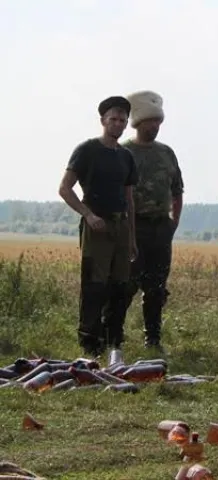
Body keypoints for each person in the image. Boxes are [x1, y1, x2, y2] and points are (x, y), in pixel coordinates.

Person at [58, 96, 139, 358]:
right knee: (94, 284)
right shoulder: (87, 150)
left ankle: (113, 338)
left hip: (121, 227)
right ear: (103, 120)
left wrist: (132, 237)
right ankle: (89, 340)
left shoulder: (126, 156)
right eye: (113, 119)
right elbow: (65, 188)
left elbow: (129, 199)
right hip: (97, 225)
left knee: (120, 285)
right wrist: (88, 215)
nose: (117, 124)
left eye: (122, 120)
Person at [120, 90, 184, 352]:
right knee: (126, 285)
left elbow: (177, 191)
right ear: (138, 123)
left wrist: (173, 224)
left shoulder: (167, 153)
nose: (154, 127)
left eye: (158, 122)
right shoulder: (124, 151)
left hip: (160, 229)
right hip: (133, 228)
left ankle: (153, 337)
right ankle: (113, 333)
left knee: (157, 288)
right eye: (150, 122)